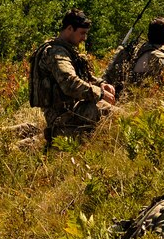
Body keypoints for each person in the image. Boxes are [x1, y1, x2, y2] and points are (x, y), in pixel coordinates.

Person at [29, 9, 116, 147]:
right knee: (106, 113)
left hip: (72, 111)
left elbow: (81, 77)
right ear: (70, 29)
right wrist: (100, 93)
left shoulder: (66, 50)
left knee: (112, 113)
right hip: (62, 118)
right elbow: (69, 83)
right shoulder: (57, 53)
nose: (84, 38)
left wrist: (101, 84)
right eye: (82, 33)